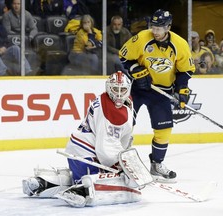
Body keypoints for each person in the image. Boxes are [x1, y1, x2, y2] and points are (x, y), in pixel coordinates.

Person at [22, 71, 143, 207]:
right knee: (109, 181)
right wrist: (120, 165)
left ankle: (43, 183)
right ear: (109, 88)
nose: (119, 94)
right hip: (87, 156)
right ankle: (80, 191)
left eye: (123, 90)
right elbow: (105, 150)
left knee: (81, 178)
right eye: (115, 89)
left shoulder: (108, 100)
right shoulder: (111, 112)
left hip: (79, 150)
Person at [119, 9, 195, 183]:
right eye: (153, 26)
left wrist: (182, 89)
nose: (155, 30)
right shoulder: (142, 38)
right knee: (125, 123)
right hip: (138, 90)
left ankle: (157, 165)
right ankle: (117, 162)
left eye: (159, 27)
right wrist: (135, 70)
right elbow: (124, 57)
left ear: (168, 27)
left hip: (163, 92)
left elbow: (186, 70)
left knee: (164, 129)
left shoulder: (180, 44)